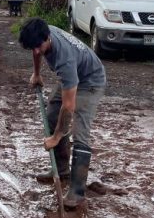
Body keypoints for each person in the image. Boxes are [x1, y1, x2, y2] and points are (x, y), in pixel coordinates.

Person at [18, 18, 106, 209]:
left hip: (90, 81)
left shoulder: (64, 59)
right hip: (74, 76)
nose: (35, 51)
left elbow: (69, 106)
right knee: (51, 115)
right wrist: (37, 73)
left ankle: (77, 191)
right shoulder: (42, 33)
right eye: (31, 47)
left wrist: (57, 136)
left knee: (80, 132)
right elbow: (36, 51)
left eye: (38, 46)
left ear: (47, 38)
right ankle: (62, 169)